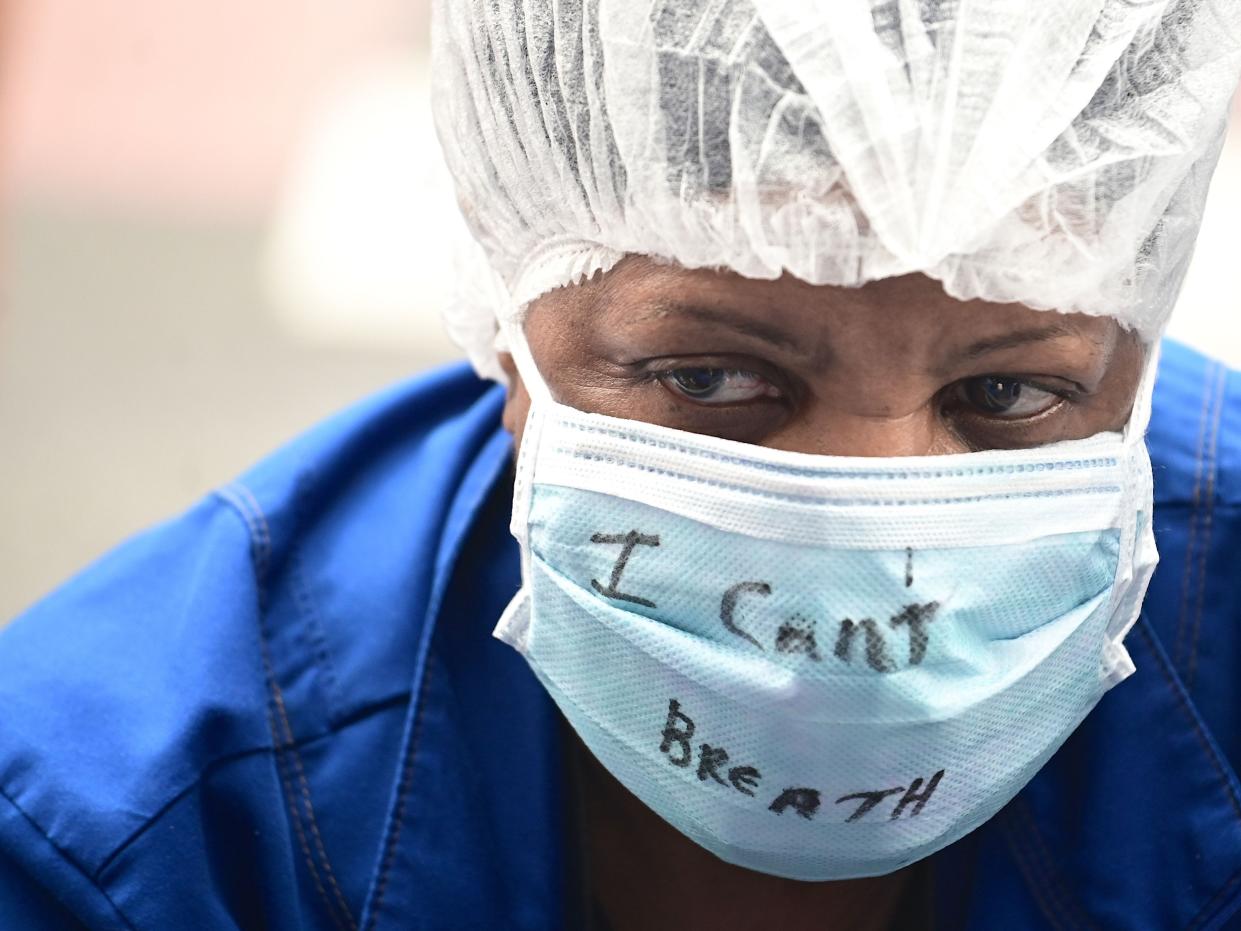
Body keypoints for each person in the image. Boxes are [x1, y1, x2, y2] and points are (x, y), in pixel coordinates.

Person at [3, 1, 1241, 928]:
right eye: (711, 380)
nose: (868, 551)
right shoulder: (127, 836)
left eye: (1005, 393)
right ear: (503, 314)